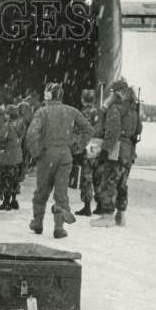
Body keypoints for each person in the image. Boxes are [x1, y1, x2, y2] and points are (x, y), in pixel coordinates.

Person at [25, 82, 93, 239]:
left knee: (41, 191)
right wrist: (78, 146)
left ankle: (38, 222)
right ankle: (59, 227)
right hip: (65, 156)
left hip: (46, 155)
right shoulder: (72, 111)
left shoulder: (42, 112)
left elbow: (31, 134)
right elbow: (88, 129)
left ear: (48, 95)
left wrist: (36, 153)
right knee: (61, 192)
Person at [91, 79, 142, 227]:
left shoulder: (115, 109)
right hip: (129, 152)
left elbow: (112, 132)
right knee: (122, 183)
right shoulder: (133, 110)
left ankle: (107, 216)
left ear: (117, 93)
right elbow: (138, 130)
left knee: (108, 182)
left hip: (117, 151)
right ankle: (120, 215)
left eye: (113, 92)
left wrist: (105, 150)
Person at [0, 104, 25, 210]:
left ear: (9, 114)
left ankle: (6, 202)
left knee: (6, 179)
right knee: (15, 180)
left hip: (8, 157)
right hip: (18, 156)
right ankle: (14, 200)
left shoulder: (8, 125)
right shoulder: (21, 124)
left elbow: (1, 137)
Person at [75, 88, 100, 216]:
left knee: (86, 175)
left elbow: (79, 130)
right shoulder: (97, 112)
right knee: (96, 174)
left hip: (87, 145)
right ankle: (100, 204)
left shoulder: (83, 113)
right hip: (96, 144)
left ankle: (87, 206)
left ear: (83, 99)